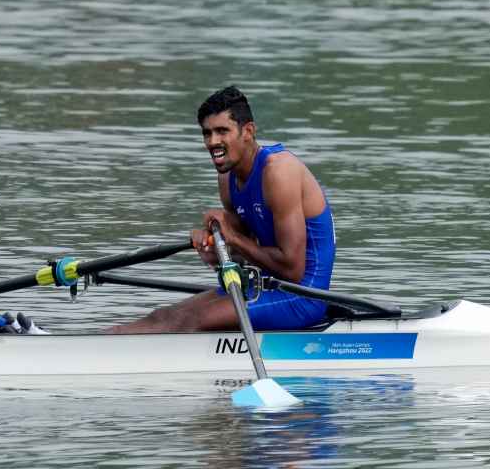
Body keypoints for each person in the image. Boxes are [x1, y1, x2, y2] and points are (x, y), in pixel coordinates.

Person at [108, 85, 335, 333]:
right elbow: (249, 257)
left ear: (248, 131)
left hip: (302, 298)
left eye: (222, 131)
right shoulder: (227, 178)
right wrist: (216, 252)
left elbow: (292, 270)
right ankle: (91, 350)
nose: (212, 142)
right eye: (207, 133)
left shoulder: (279, 171)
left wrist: (232, 237)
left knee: (185, 321)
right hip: (263, 287)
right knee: (164, 315)